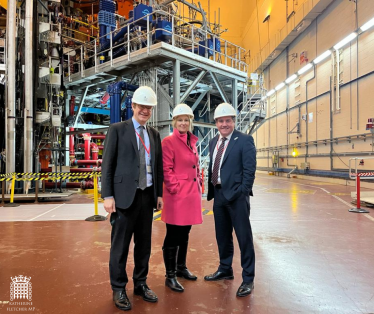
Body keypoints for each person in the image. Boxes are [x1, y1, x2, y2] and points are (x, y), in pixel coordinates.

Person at [101, 86, 164, 311]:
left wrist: (159, 194)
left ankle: (140, 283)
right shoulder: (118, 129)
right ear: (133, 106)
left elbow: (157, 167)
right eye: (141, 106)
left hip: (147, 197)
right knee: (120, 246)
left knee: (144, 245)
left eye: (149, 108)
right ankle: (118, 287)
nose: (145, 111)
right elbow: (107, 165)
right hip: (123, 198)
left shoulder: (154, 135)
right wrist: (107, 196)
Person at [204, 103, 256, 297]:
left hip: (237, 197)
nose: (224, 124)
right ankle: (225, 268)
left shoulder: (244, 140)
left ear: (233, 121)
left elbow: (249, 170)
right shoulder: (213, 142)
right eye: (220, 121)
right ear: (216, 123)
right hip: (218, 195)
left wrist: (242, 192)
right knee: (222, 236)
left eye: (227, 120)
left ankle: (248, 278)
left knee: (244, 238)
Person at [161, 104, 203, 292]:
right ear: (174, 122)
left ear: (190, 122)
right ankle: (170, 276)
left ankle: (181, 267)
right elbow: (166, 169)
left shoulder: (191, 141)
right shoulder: (168, 142)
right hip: (177, 196)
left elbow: (195, 166)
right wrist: (175, 189)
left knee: (185, 233)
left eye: (186, 119)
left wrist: (200, 183)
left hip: (191, 194)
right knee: (173, 235)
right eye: (180, 119)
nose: (183, 123)